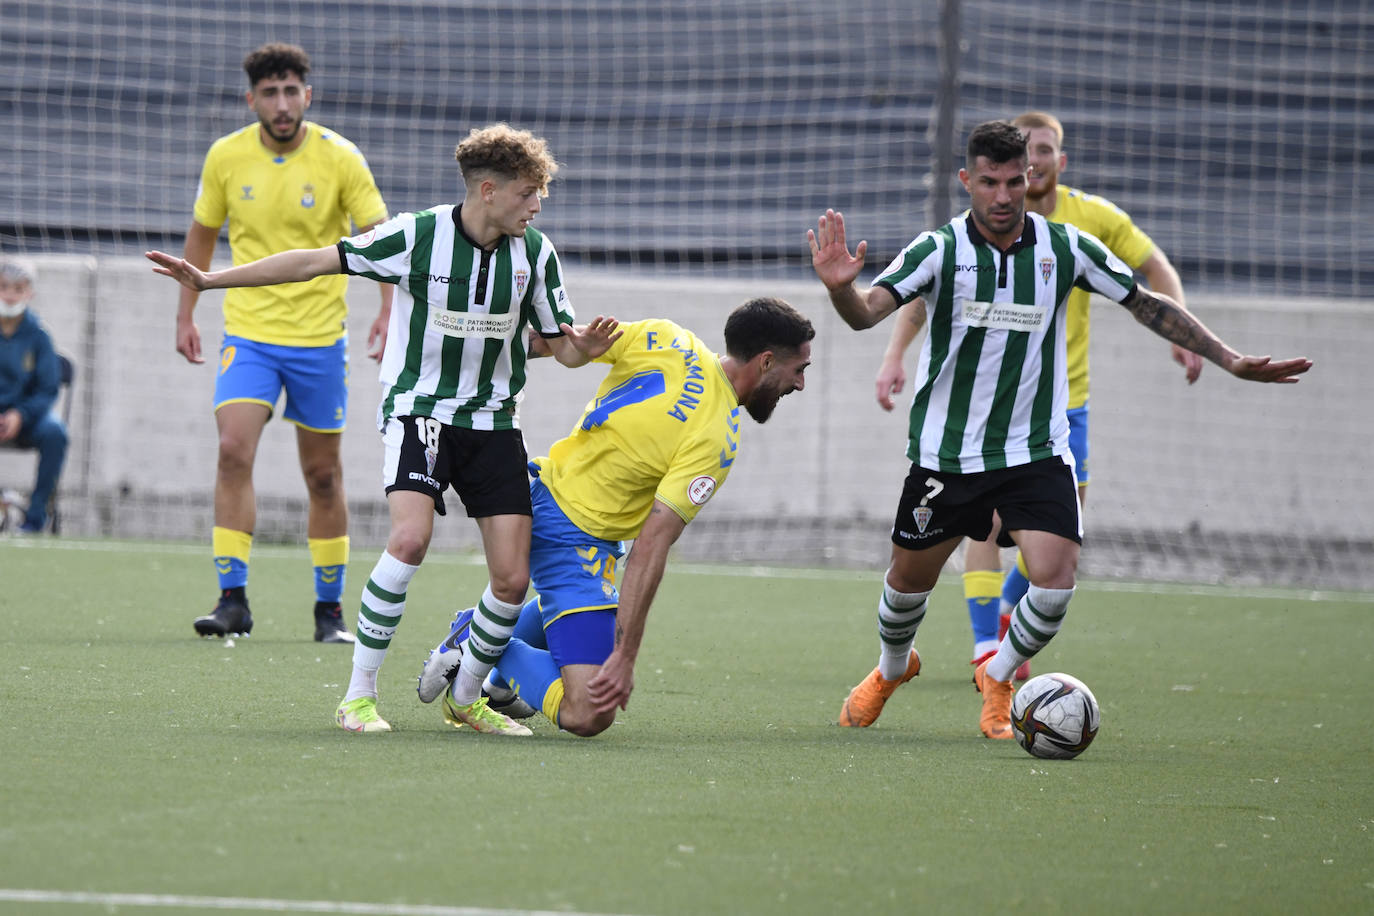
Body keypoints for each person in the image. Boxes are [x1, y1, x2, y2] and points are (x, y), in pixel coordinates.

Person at [808, 120, 1310, 739]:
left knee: (1056, 577)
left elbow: (1145, 302)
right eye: (987, 182)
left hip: (1035, 449)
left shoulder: (1065, 247)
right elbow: (867, 314)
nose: (1001, 195)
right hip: (947, 454)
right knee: (907, 583)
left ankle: (999, 673)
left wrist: (1228, 357)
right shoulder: (937, 250)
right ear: (967, 180)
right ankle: (891, 668)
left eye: (1012, 182)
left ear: (1031, 179)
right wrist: (839, 291)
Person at [150, 122, 622, 737]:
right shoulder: (417, 235)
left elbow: (561, 349)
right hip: (419, 413)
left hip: (494, 423)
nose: (538, 205)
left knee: (511, 578)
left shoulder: (537, 255)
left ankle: (466, 696)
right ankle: (357, 696)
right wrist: (212, 280)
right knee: (409, 541)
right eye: (529, 193)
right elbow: (315, 262)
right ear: (488, 190)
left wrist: (584, 349)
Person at [874, 111, 1204, 681]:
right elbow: (920, 296)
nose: (1032, 169)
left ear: (1050, 164)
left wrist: (1192, 335)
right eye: (994, 179)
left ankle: (1004, 632)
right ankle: (985, 647)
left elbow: (1153, 272)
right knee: (985, 527)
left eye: (1045, 154)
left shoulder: (1089, 222)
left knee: (1054, 542)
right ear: (973, 180)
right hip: (969, 424)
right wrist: (894, 355)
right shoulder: (953, 242)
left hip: (1063, 405)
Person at [415, 298, 814, 737]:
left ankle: (485, 637)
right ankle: (481, 638)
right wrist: (624, 658)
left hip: (556, 500)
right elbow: (652, 545)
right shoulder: (717, 437)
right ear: (766, 361)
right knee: (588, 712)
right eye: (798, 370)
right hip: (571, 535)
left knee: (569, 625)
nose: (798, 385)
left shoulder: (669, 337)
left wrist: (464, 350)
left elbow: (561, 343)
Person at [173, 42, 393, 643]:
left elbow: (381, 239)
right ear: (253, 100)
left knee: (322, 475)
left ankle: (329, 613)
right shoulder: (226, 156)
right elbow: (201, 236)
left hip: (321, 340)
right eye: (269, 93)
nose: (282, 103)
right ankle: (232, 600)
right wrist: (185, 313)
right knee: (232, 450)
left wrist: (386, 311)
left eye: (291, 90)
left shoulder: (340, 157)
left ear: (307, 95)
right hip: (248, 334)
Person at [0, 262, 68, 534]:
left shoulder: (40, 337)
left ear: (30, 293)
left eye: (18, 289)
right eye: (3, 287)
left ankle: (35, 518)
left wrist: (20, 414)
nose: (10, 295)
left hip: (26, 420)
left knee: (56, 433)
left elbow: (47, 389)